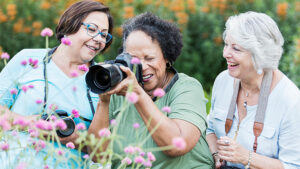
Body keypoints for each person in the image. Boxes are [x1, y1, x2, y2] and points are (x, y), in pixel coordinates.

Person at [88, 12, 214, 169]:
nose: (142, 67)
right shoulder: (120, 89)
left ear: (167, 57)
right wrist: (104, 101)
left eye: (149, 58)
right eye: (133, 59)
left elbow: (177, 145)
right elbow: (97, 155)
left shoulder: (187, 87)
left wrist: (137, 95)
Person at [0, 0, 113, 168]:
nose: (98, 39)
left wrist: (75, 139)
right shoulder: (28, 60)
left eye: (104, 35)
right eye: (92, 29)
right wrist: (35, 123)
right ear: (70, 24)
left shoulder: (102, 80)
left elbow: (102, 156)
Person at [206, 11, 300, 169]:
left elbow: (293, 166)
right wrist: (216, 154)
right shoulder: (223, 80)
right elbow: (210, 128)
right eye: (226, 45)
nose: (225, 54)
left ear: (260, 55)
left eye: (236, 49)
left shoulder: (290, 101)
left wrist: (246, 157)